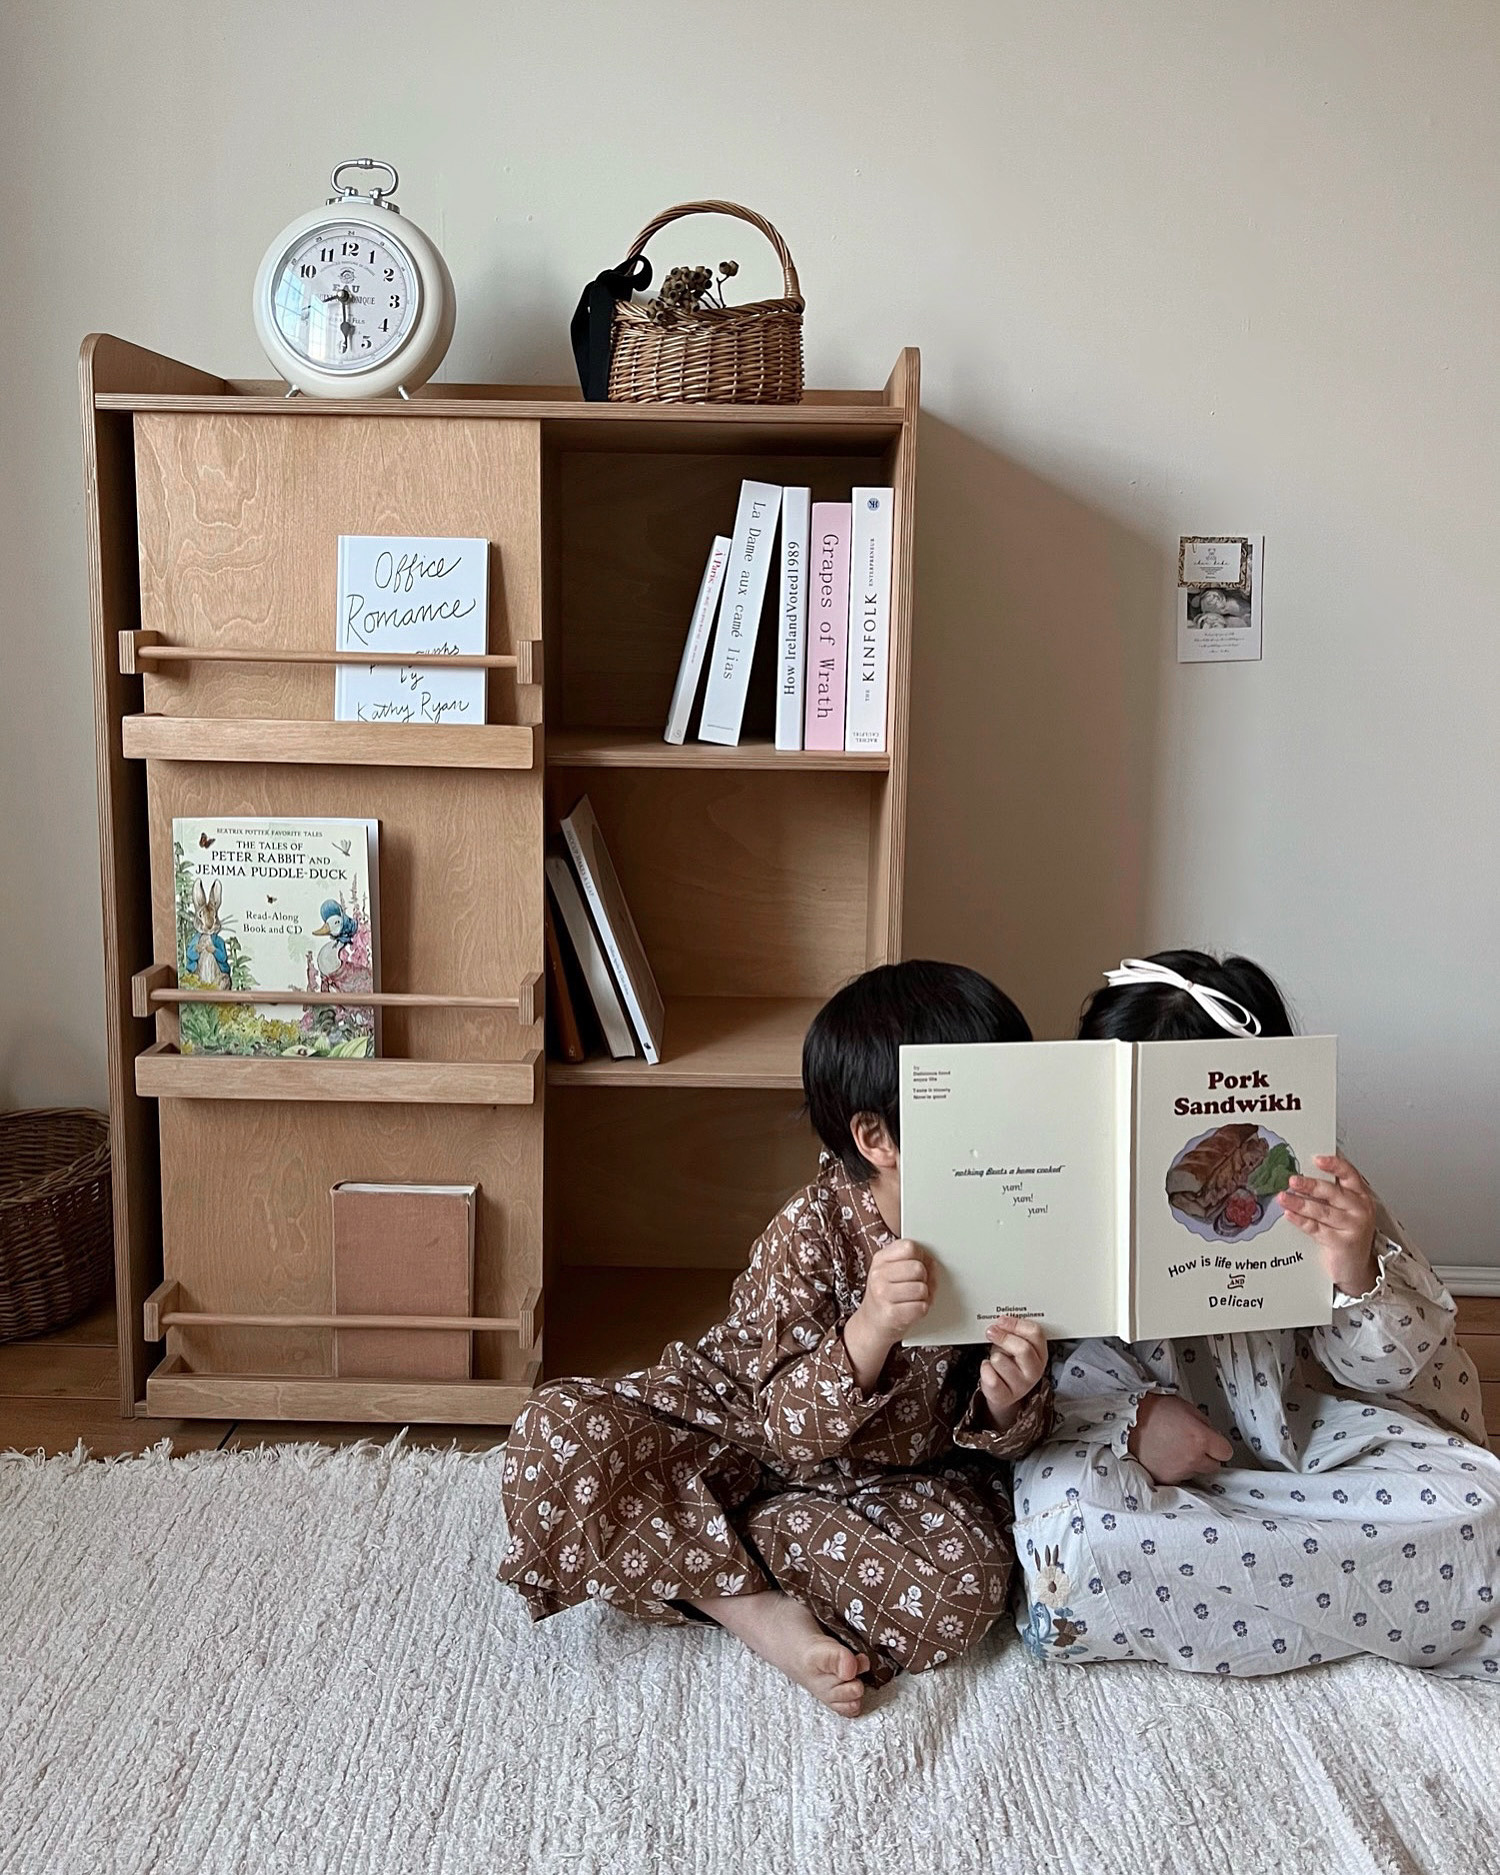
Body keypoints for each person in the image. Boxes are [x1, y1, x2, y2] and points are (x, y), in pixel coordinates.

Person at [501, 961, 1053, 1715]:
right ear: (877, 1137)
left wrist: (1006, 1400)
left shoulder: (1017, 1221)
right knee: (551, 1438)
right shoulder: (810, 1230)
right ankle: (747, 1607)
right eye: (977, 1106)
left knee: (966, 1590)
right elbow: (787, 1426)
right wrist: (870, 1327)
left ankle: (700, 1547)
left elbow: (1005, 1440)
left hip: (891, 1477)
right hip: (738, 1426)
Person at [1013, 950, 1500, 1679]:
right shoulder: (1058, 1190)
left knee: (1481, 1514)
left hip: (1315, 1454)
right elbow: (1048, 1371)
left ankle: (1243, 1597)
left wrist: (1354, 1268)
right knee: (1071, 1543)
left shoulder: (1321, 1193)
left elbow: (1396, 1369)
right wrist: (1134, 1417)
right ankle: (1351, 1604)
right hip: (1141, 1467)